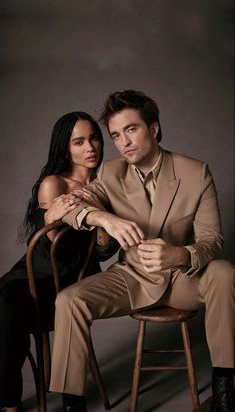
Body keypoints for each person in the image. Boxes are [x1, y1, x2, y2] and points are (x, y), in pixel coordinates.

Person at [49, 90, 234, 412]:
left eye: (131, 129)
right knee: (69, 300)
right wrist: (103, 217)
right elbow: (67, 206)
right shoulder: (109, 173)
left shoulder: (195, 172)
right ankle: (71, 404)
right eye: (116, 135)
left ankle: (224, 389)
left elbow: (213, 241)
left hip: (183, 281)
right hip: (131, 278)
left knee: (225, 271)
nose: (124, 142)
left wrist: (180, 255)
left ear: (154, 128)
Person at [0, 111, 115, 412]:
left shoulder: (109, 183)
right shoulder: (54, 183)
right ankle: (8, 402)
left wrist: (101, 213)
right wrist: (51, 218)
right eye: (79, 142)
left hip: (79, 280)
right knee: (7, 308)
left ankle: (70, 399)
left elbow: (104, 251)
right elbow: (50, 253)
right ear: (66, 148)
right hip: (38, 276)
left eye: (94, 138)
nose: (90, 147)